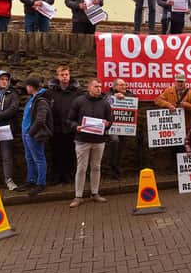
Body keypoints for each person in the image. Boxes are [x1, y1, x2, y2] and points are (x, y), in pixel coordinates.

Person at [67, 78, 113, 208]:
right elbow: (70, 119)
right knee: (81, 168)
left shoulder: (105, 103)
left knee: (96, 167)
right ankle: (78, 196)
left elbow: (110, 121)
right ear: (89, 88)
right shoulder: (79, 101)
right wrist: (76, 127)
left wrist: (107, 124)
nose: (99, 88)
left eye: (100, 86)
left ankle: (95, 193)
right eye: (96, 86)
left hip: (99, 141)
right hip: (82, 140)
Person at [48, 66, 82, 185]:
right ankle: (56, 175)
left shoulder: (77, 92)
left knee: (70, 153)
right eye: (62, 75)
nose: (64, 77)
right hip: (55, 127)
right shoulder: (51, 91)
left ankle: (68, 175)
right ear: (57, 76)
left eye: (66, 74)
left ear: (69, 75)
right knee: (56, 153)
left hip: (71, 127)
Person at [21, 77, 53, 197]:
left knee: (39, 159)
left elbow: (41, 119)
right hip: (27, 134)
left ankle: (41, 183)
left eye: (27, 86)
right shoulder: (32, 99)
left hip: (33, 135)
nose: (26, 88)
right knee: (29, 158)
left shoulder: (41, 100)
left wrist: (30, 133)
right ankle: (31, 180)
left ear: (30, 86)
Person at [104, 78, 134, 180]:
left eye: (125, 85)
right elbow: (104, 100)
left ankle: (117, 168)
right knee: (114, 140)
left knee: (121, 147)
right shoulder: (108, 94)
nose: (124, 87)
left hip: (124, 127)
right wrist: (113, 97)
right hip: (112, 127)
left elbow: (133, 100)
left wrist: (124, 97)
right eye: (121, 85)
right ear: (115, 87)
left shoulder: (129, 94)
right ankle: (112, 167)